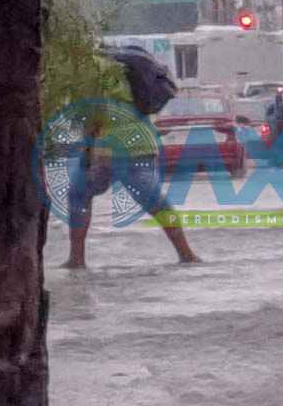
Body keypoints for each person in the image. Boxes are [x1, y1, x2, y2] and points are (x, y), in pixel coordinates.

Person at [64, 47, 200, 267]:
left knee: (79, 195)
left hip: (115, 151)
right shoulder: (124, 80)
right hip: (138, 147)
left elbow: (90, 121)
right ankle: (187, 255)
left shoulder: (91, 82)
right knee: (154, 201)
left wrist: (86, 151)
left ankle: (76, 260)